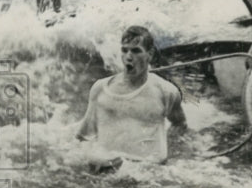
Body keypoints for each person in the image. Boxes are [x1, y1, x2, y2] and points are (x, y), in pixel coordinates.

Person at [76, 25, 187, 170]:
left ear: (150, 54)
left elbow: (180, 125)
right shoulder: (101, 88)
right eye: (124, 50)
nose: (129, 57)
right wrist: (94, 158)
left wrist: (164, 155)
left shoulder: (166, 91)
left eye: (136, 51)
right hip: (107, 172)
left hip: (149, 174)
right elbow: (84, 137)